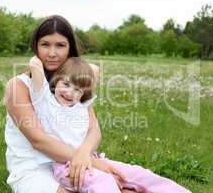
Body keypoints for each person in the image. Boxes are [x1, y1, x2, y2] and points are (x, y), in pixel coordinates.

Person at [28, 56, 192, 193]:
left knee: (136, 174)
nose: (70, 93)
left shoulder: (81, 105)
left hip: (92, 159)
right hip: (65, 167)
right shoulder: (45, 102)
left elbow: (94, 70)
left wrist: (77, 70)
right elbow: (35, 63)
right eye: (66, 84)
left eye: (78, 90)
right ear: (55, 81)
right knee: (104, 182)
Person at [4, 15, 106, 193]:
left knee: (124, 186)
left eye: (60, 45)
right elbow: (39, 141)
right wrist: (89, 160)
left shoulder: (73, 88)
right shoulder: (18, 85)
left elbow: (94, 129)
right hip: (35, 167)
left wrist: (85, 153)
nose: (52, 53)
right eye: (45, 44)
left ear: (69, 49)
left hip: (73, 161)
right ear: (36, 46)